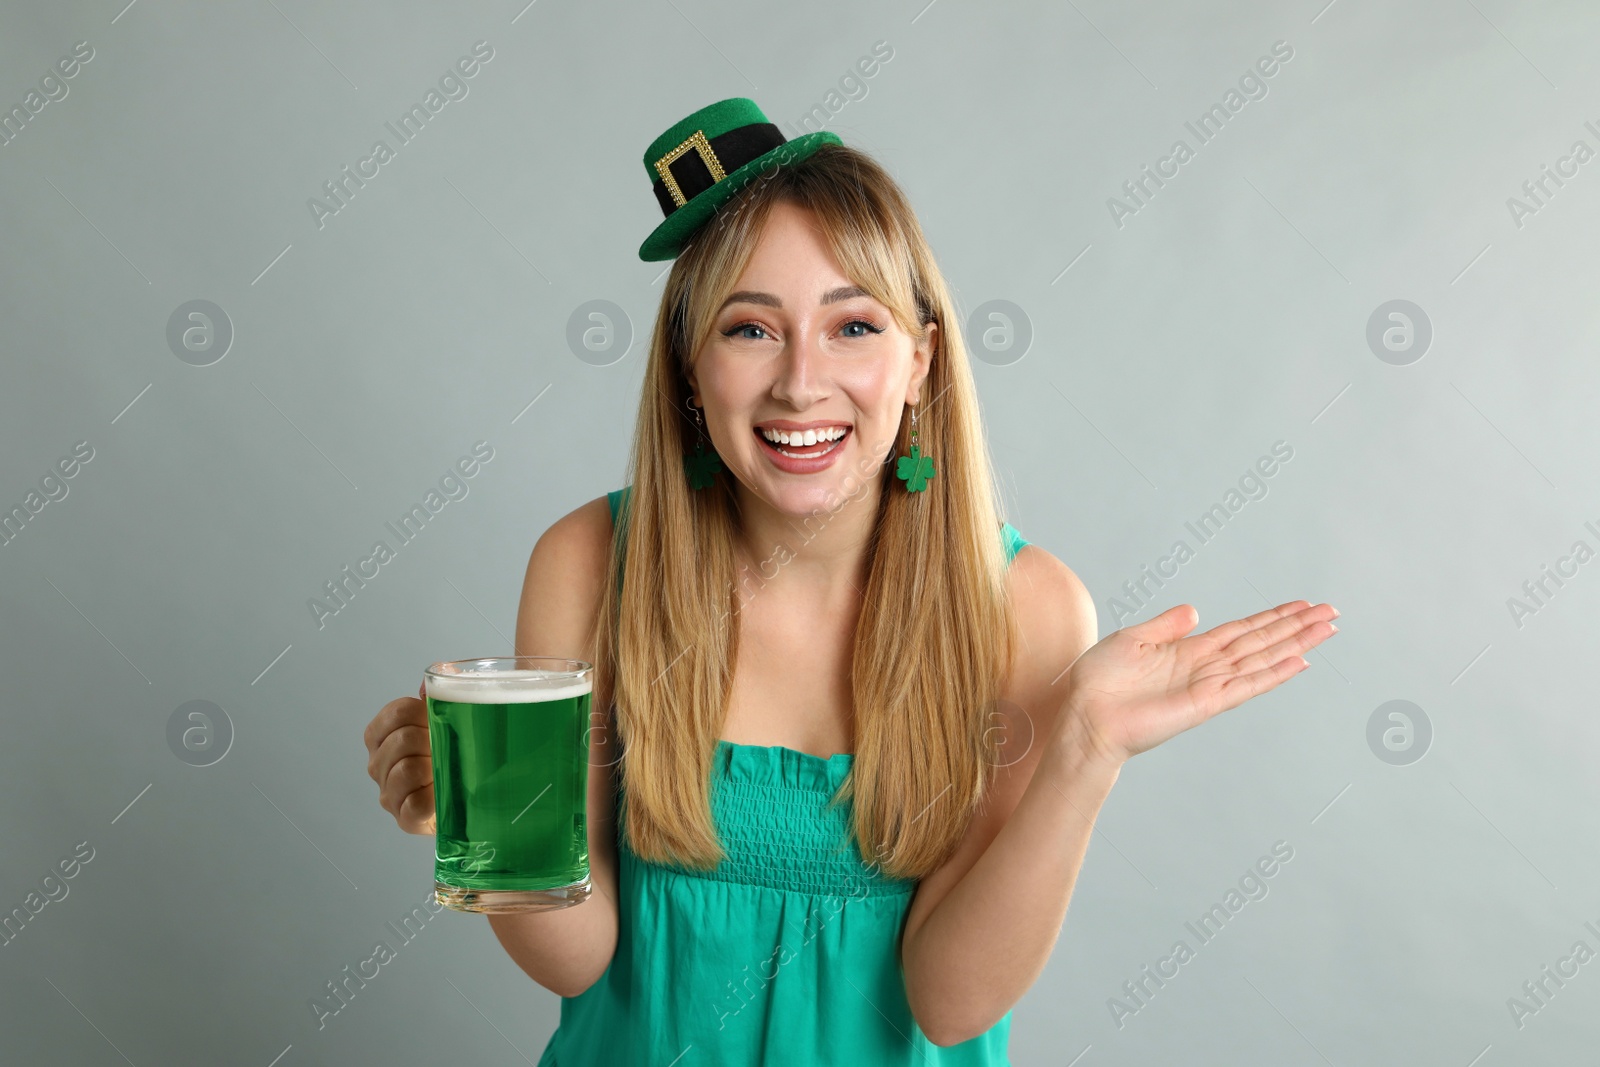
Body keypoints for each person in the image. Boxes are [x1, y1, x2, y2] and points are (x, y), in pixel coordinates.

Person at [362, 98, 1338, 1065]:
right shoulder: (586, 563)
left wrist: (1083, 749)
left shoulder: (1027, 606)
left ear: (920, 360)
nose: (799, 382)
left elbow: (949, 1005)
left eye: (852, 327)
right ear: (688, 376)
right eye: (749, 330)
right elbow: (574, 963)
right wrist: (489, 826)